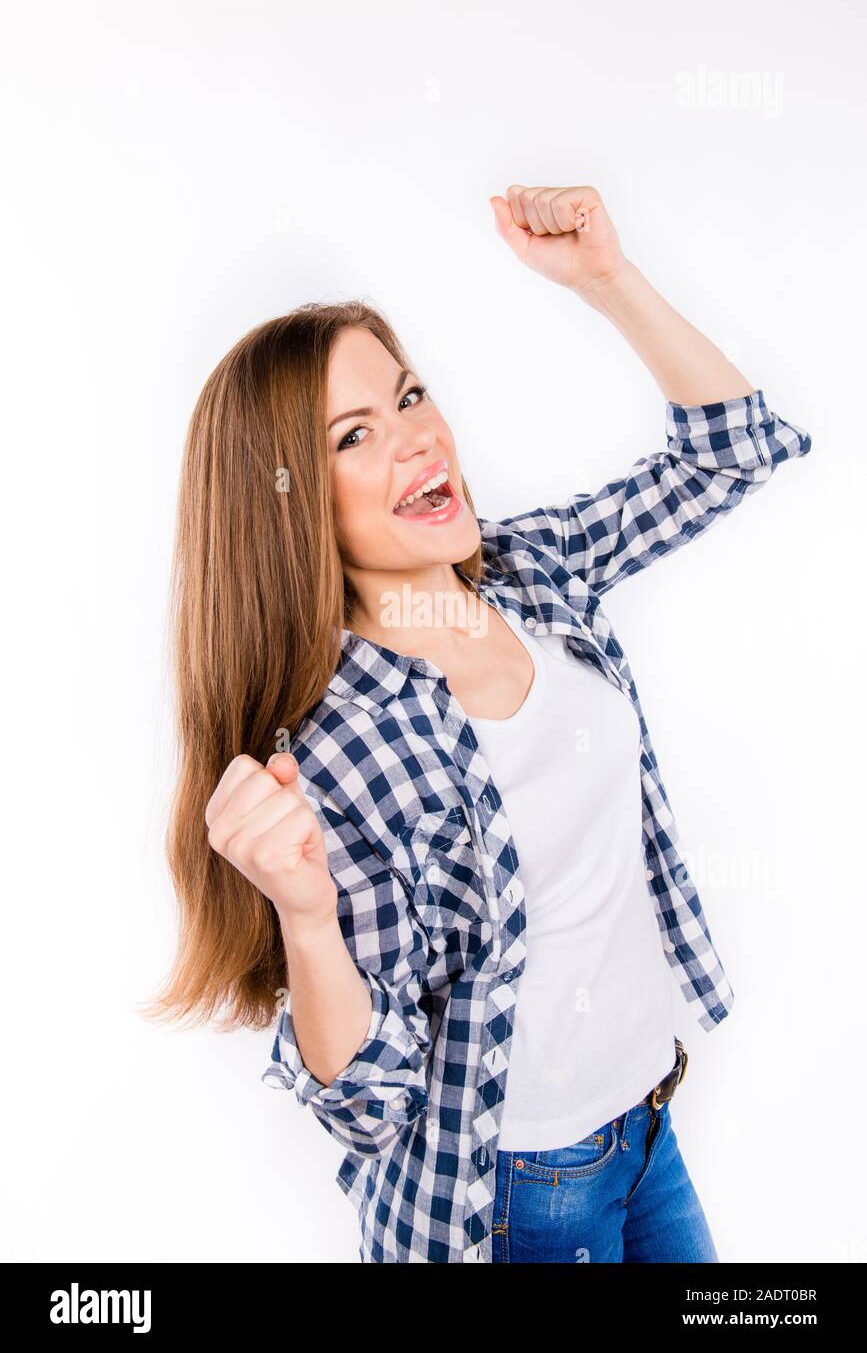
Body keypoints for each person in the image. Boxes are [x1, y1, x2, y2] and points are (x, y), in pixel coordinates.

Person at [153, 184, 812, 1262]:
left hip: (650, 1125)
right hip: (519, 1195)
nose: (419, 440)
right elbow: (369, 1101)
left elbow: (729, 451)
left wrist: (608, 280)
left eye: (410, 395)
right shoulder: (333, 747)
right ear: (288, 503)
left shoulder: (530, 572)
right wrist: (308, 920)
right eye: (355, 434)